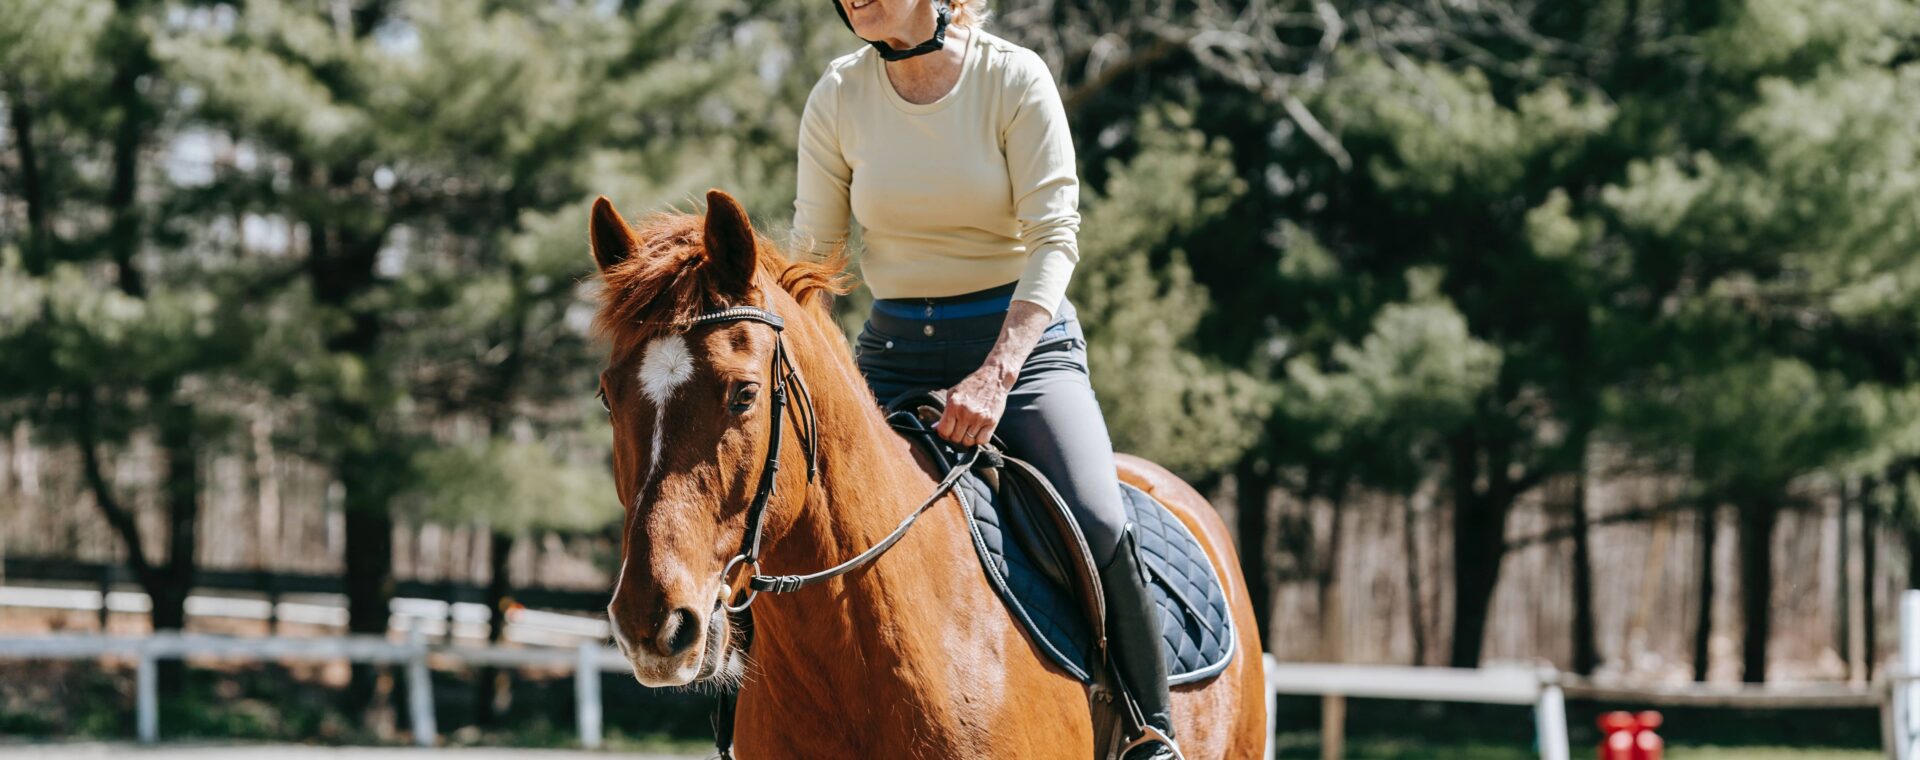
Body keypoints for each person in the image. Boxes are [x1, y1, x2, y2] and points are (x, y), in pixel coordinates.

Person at [791, 2, 1176, 757]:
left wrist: (997, 373)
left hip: (1023, 349)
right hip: (892, 353)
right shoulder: (837, 94)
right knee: (791, 512)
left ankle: (1147, 729)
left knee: (1097, 515)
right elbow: (815, 258)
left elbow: (1055, 238)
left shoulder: (1013, 77)